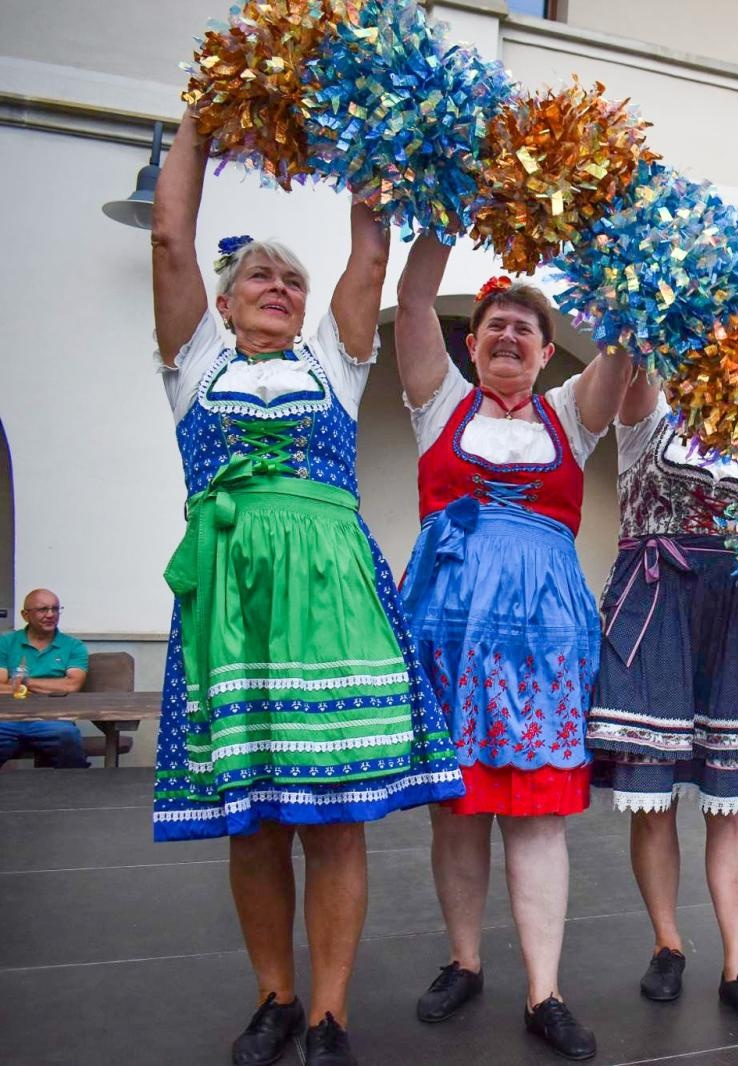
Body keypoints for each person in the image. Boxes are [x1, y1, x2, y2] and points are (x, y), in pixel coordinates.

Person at [150, 113, 464, 1066]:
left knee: (330, 812)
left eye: (292, 279)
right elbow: (169, 235)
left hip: (331, 597)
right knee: (253, 823)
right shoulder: (194, 363)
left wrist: (376, 118)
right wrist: (201, 127)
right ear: (224, 299)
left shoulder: (333, 359)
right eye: (260, 277)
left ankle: (328, 1011)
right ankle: (273, 998)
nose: (281, 289)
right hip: (232, 604)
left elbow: (369, 258)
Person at [393, 238, 630, 1062]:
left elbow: (621, 347)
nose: (508, 337)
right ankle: (464, 960)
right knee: (458, 812)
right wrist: (436, 212)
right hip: (448, 638)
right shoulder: (437, 403)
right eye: (495, 325)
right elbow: (415, 302)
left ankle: (544, 990)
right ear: (472, 341)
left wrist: (629, 253)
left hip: (542, 645)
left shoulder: (568, 414)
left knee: (536, 817)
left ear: (545, 348)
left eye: (526, 329)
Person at [586, 368, 738, 1028]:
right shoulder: (649, 405)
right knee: (652, 800)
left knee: (728, 802)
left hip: (735, 609)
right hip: (656, 605)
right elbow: (635, 358)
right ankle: (667, 943)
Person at [0, 588, 90, 768]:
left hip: (53, 719)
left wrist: (25, 682)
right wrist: (51, 686)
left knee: (68, 737)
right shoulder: (6, 642)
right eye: (43, 609)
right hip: (7, 719)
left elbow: (72, 685)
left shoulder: (73, 646)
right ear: (25, 615)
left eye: (55, 609)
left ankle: (73, 791)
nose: (51, 615)